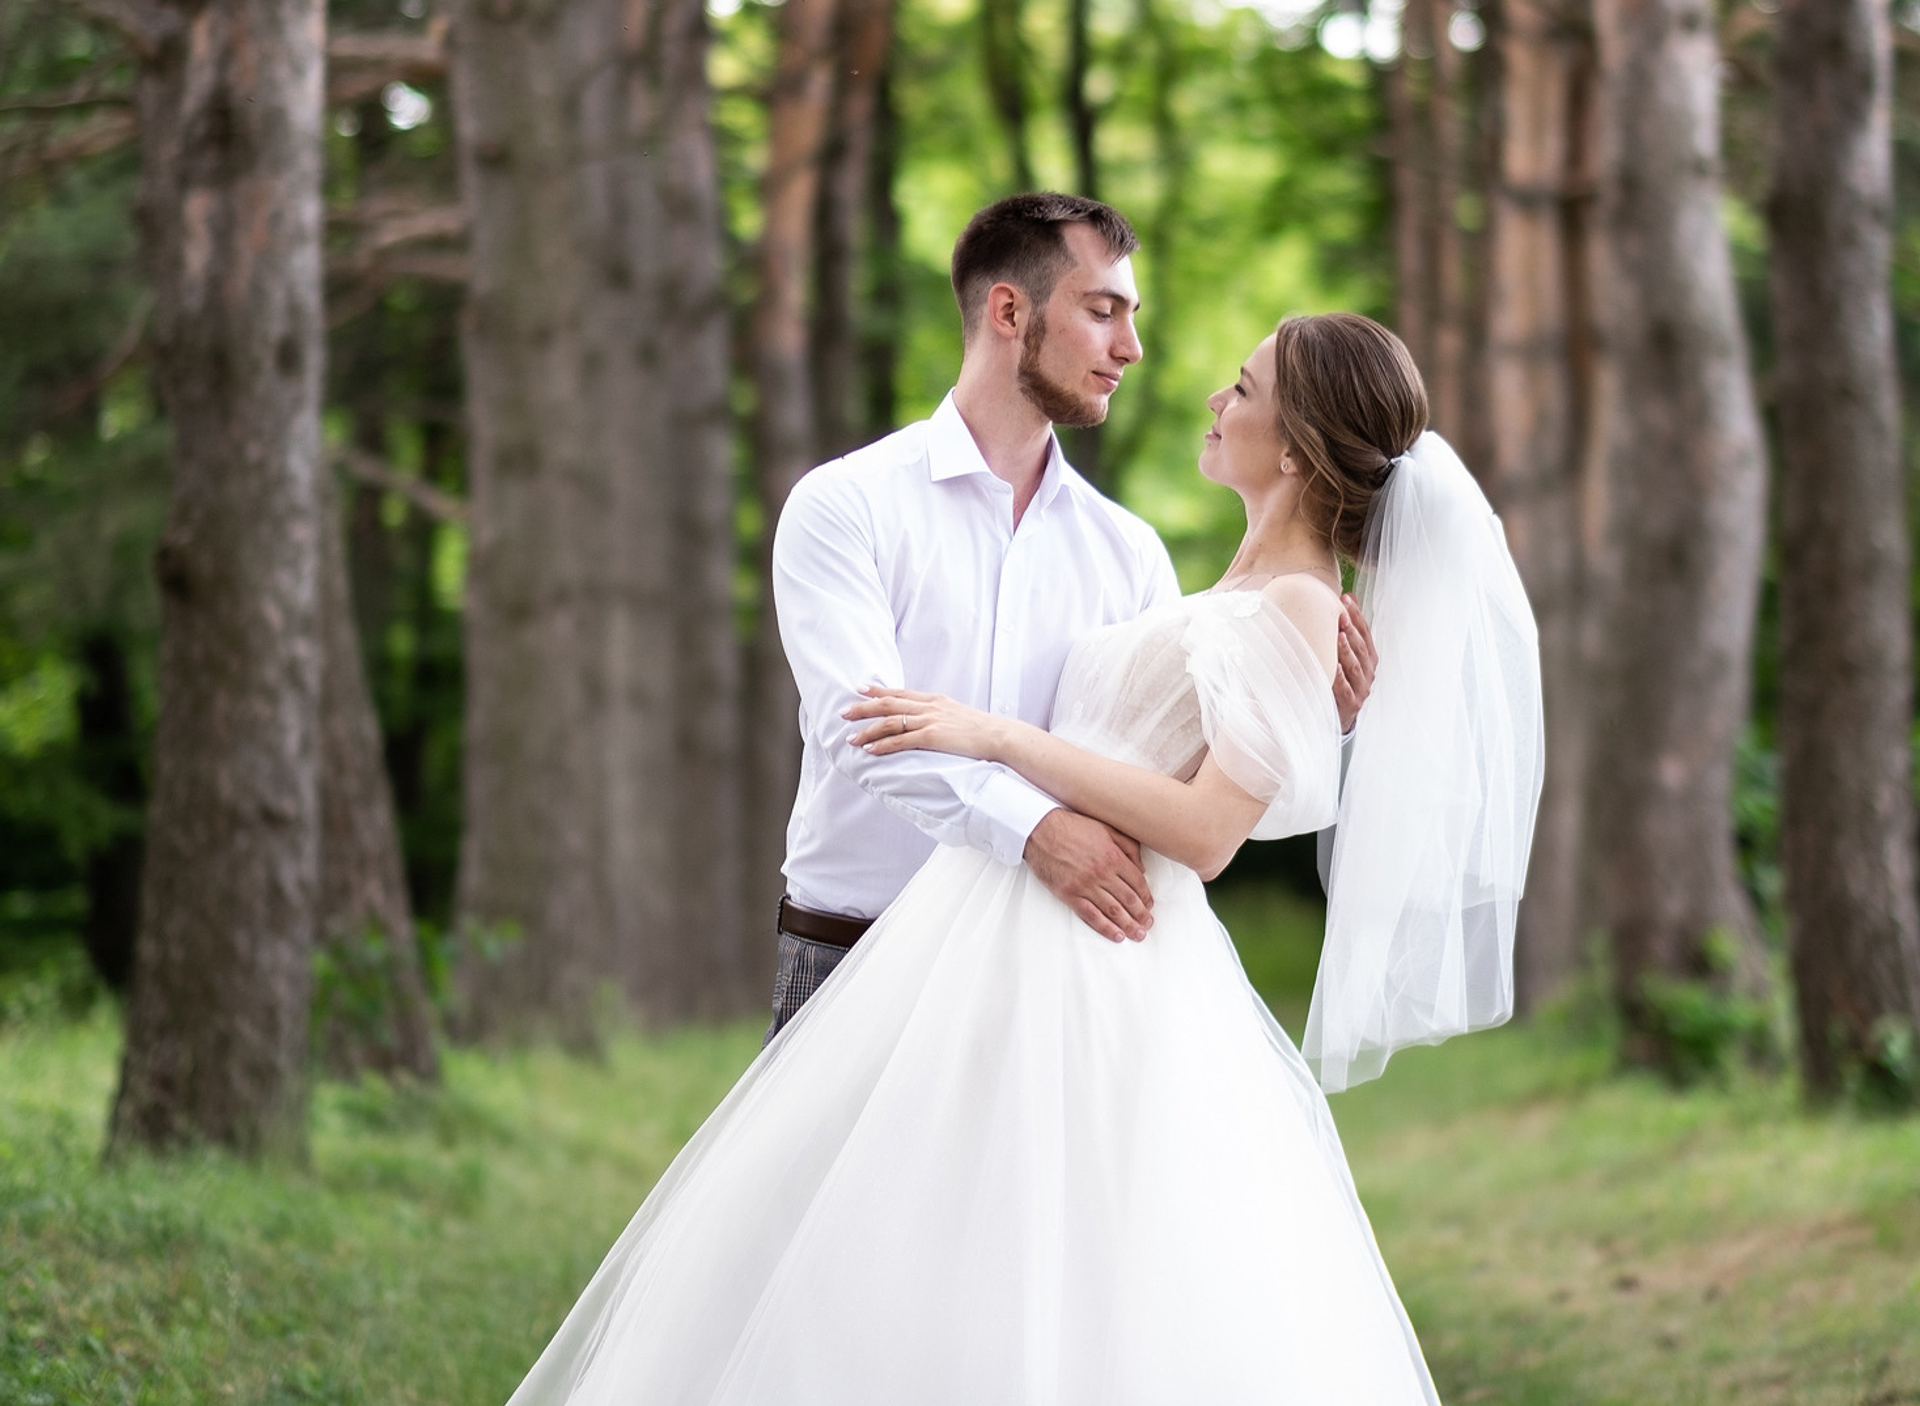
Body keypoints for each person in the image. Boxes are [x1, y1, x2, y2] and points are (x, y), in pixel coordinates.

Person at [504, 303, 1545, 1406]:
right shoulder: (1227, 591)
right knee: (886, 1240)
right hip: (988, 922)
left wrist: (998, 736)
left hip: (1097, 952)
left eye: (1241, 389)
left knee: (1047, 1255)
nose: (1210, 396)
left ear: (1292, 447)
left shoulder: (1295, 602)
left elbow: (1203, 833)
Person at [762, 192, 1376, 1039]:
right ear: (1010, 310)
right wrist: (1035, 830)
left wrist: (1311, 718)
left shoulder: (1128, 552)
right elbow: (864, 730)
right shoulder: (847, 506)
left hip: (1044, 975)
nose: (1133, 347)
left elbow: (1175, 793)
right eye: (1103, 311)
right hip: (852, 952)